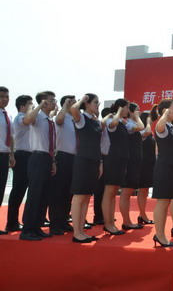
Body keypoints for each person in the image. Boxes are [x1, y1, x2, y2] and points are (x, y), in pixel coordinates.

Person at [19, 91, 57, 241]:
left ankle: (37, 227)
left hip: (47, 159)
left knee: (44, 195)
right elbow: (27, 120)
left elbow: (51, 143)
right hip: (37, 158)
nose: (54, 102)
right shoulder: (37, 116)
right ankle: (27, 230)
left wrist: (53, 161)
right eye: (51, 100)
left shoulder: (49, 119)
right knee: (35, 194)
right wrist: (40, 105)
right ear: (44, 102)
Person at [70, 94, 102, 243]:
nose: (98, 105)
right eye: (95, 102)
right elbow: (73, 109)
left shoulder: (96, 121)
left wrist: (100, 162)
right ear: (87, 103)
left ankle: (81, 231)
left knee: (87, 196)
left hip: (94, 161)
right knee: (79, 196)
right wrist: (82, 99)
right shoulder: (82, 118)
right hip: (83, 160)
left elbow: (98, 144)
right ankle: (76, 233)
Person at [101, 98, 131, 236]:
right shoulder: (111, 119)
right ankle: (107, 224)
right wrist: (118, 112)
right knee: (109, 192)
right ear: (120, 107)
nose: (128, 110)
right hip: (113, 158)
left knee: (113, 193)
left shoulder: (123, 123)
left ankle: (111, 223)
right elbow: (112, 125)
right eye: (127, 107)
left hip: (121, 159)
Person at [151, 98, 173, 247]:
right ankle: (159, 235)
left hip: (171, 167)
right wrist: (164, 114)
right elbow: (159, 126)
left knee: (166, 201)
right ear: (165, 111)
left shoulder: (171, 127)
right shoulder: (162, 126)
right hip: (163, 168)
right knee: (162, 202)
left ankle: (161, 234)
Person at [49, 95, 78, 236]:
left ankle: (64, 221)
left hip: (74, 158)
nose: (76, 105)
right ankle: (55, 224)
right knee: (58, 192)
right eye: (73, 103)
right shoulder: (61, 117)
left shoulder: (75, 119)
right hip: (63, 157)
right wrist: (65, 105)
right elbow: (58, 120)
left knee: (68, 193)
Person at [5, 94, 33, 233]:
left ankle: (24, 220)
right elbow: (27, 121)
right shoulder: (20, 118)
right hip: (22, 156)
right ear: (22, 107)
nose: (33, 107)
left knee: (28, 190)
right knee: (18, 190)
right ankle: (12, 223)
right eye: (30, 104)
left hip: (30, 156)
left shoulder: (29, 118)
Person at [119, 103, 145, 231]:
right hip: (130, 161)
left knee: (129, 192)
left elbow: (145, 131)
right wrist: (136, 117)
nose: (139, 112)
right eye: (137, 111)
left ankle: (128, 221)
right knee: (126, 192)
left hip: (135, 161)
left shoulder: (132, 124)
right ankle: (126, 221)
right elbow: (141, 127)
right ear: (130, 112)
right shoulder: (128, 124)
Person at [92, 107, 112, 225]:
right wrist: (108, 116)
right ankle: (98, 216)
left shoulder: (111, 126)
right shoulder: (100, 124)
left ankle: (105, 215)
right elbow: (102, 124)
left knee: (106, 189)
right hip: (101, 157)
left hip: (109, 158)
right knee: (99, 189)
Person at [0, 86, 14, 235]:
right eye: (2, 96)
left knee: (1, 189)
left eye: (7, 97)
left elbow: (11, 137)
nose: (5, 99)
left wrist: (11, 155)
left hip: (4, 155)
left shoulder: (7, 115)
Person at [137, 111, 155, 225]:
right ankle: (142, 215)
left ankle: (142, 215)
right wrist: (148, 122)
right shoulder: (142, 131)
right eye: (150, 119)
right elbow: (147, 132)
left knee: (145, 190)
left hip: (149, 164)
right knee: (143, 190)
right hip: (143, 164)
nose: (152, 121)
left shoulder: (150, 133)